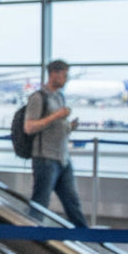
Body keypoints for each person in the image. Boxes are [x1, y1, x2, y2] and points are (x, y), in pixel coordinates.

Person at [23, 58, 88, 229]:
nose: (66, 79)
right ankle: (30, 235)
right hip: (45, 159)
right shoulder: (38, 98)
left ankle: (87, 239)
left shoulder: (60, 97)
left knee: (73, 203)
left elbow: (56, 126)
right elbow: (29, 127)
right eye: (64, 75)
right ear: (53, 74)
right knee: (40, 203)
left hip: (62, 159)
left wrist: (68, 126)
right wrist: (56, 116)